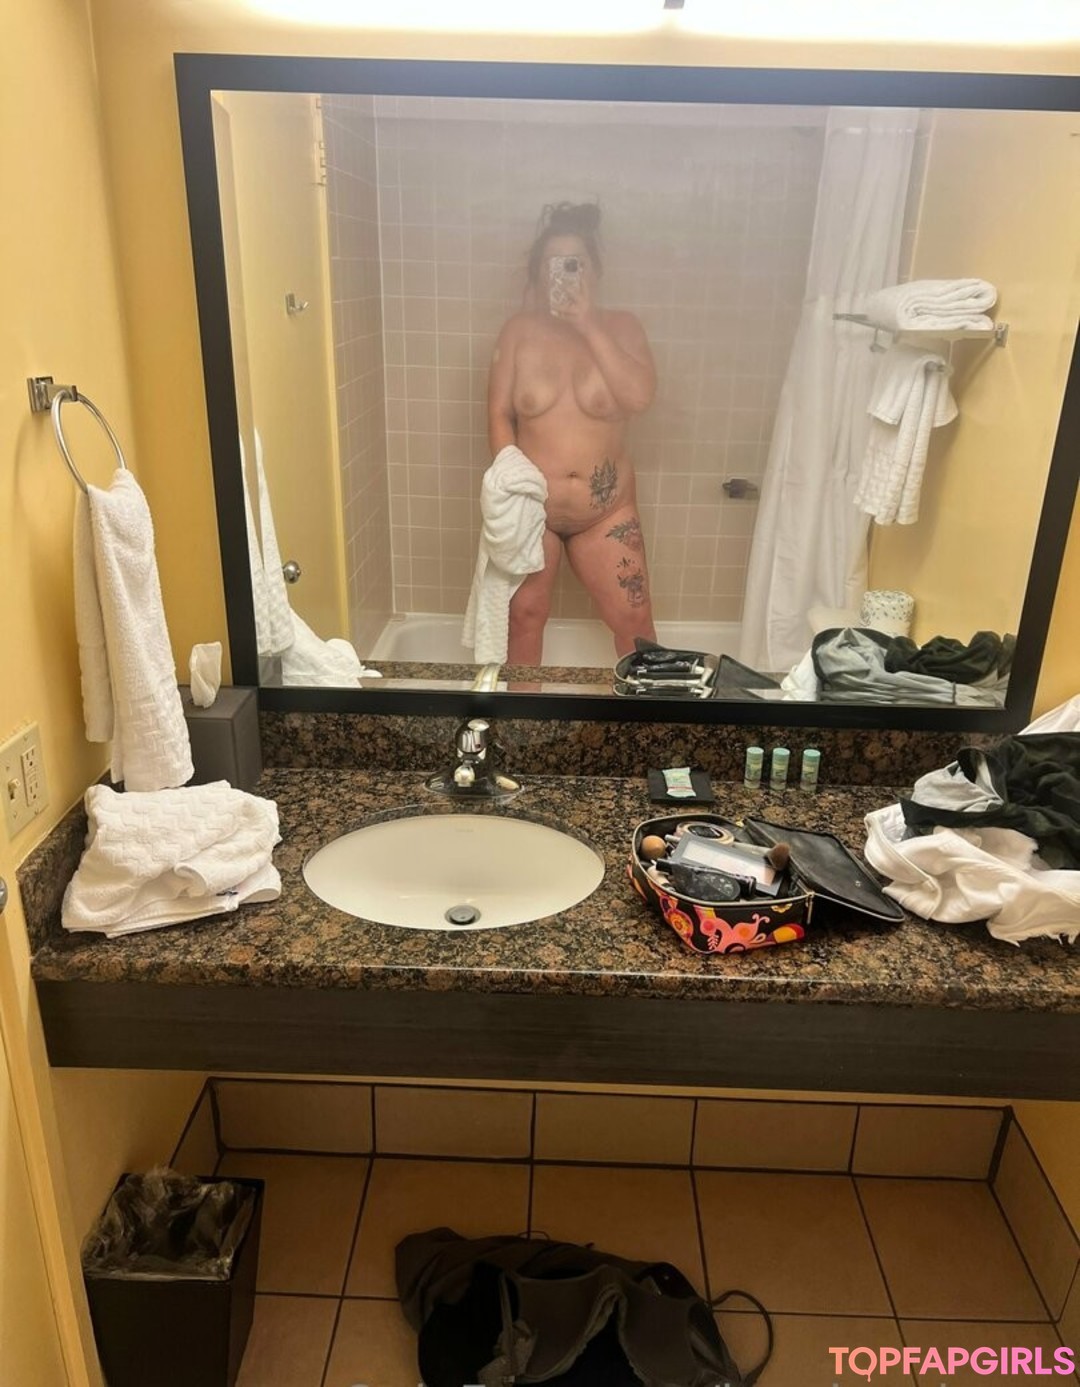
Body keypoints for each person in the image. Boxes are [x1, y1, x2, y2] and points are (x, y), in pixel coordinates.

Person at [487, 202, 658, 664]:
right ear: (538, 274)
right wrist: (511, 491)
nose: (562, 273)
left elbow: (639, 398)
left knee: (635, 621)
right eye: (552, 263)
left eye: (574, 263)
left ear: (594, 271)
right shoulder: (518, 332)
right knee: (523, 617)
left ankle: (643, 712)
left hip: (605, 513)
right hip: (531, 511)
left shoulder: (623, 328)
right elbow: (499, 414)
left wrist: (588, 325)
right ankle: (523, 714)